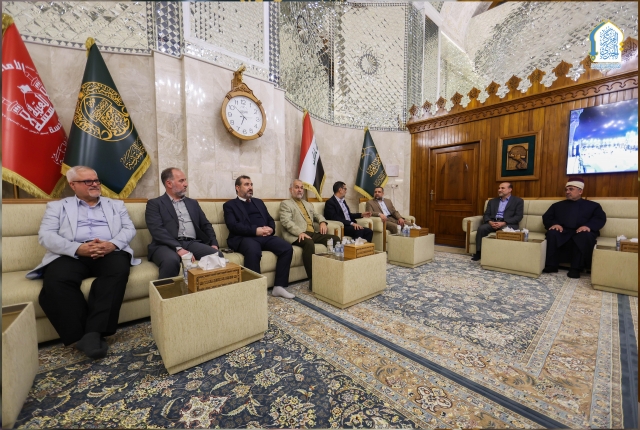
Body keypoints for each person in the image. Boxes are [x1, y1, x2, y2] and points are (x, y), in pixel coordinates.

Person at [27, 166, 139, 359]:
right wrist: (77, 248)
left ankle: (93, 333)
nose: (95, 184)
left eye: (96, 180)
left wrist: (112, 244)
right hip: (72, 253)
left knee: (119, 270)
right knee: (56, 280)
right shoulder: (57, 207)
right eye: (88, 181)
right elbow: (46, 236)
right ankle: (83, 335)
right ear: (73, 185)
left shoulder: (116, 205)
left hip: (108, 251)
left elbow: (129, 229)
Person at [223, 175, 294, 298]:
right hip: (244, 238)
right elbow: (233, 226)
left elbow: (270, 219)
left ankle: (279, 286)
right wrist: (255, 231)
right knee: (253, 250)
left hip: (264, 236)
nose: (250, 187)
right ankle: (254, 292)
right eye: (246, 184)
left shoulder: (258, 202)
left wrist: (270, 229)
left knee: (286, 248)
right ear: (237, 188)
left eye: (251, 184)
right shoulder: (230, 205)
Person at [146, 168, 220, 279]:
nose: (186, 184)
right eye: (181, 181)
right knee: (171, 261)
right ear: (169, 183)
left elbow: (206, 225)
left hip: (191, 243)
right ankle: (167, 291)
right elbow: (157, 230)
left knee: (217, 255)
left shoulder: (193, 203)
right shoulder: (154, 204)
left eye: (185, 180)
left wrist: (214, 243)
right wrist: (178, 248)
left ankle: (206, 289)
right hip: (165, 245)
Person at [280, 179, 341, 289]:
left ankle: (336, 272)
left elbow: (317, 215)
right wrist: (300, 232)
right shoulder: (286, 204)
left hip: (312, 233)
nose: (300, 190)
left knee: (335, 239)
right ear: (290, 190)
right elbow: (286, 222)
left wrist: (322, 222)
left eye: (301, 188)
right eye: (297, 187)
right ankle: (313, 280)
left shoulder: (307, 204)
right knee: (309, 243)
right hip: (296, 234)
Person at [542, 179, 606, 278]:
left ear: (580, 191)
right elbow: (547, 217)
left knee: (584, 236)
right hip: (563, 231)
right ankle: (551, 265)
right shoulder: (557, 205)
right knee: (553, 233)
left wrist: (588, 226)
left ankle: (576, 268)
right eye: (566, 190)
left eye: (571, 189)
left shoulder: (593, 206)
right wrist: (554, 224)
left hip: (581, 231)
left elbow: (600, 218)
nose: (567, 192)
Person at [471, 182, 524, 261]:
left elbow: (518, 217)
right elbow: (486, 214)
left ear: (510, 189)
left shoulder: (518, 201)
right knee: (482, 228)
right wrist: (490, 222)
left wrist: (504, 222)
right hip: (493, 222)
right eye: (499, 188)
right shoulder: (492, 201)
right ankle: (479, 252)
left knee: (505, 231)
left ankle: (501, 256)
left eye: (502, 188)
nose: (499, 190)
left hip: (507, 223)